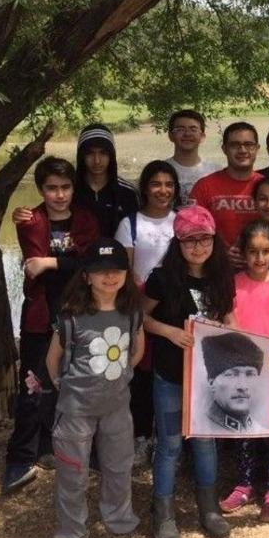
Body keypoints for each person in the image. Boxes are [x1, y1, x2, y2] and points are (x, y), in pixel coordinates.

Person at [2, 156, 99, 494]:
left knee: (80, 383)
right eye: (51, 188)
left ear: (74, 188)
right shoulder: (31, 220)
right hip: (40, 317)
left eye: (65, 187)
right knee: (32, 386)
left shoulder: (86, 220)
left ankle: (75, 447)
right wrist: (56, 263)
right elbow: (32, 267)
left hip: (80, 315)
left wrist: (50, 261)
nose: (59, 195)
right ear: (42, 190)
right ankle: (21, 455)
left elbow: (90, 264)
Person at [45, 239, 145, 538]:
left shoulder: (131, 311)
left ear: (125, 274)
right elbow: (53, 359)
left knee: (118, 470)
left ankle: (121, 529)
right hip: (75, 411)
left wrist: (123, 376)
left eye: (116, 270)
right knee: (72, 477)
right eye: (100, 271)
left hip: (117, 408)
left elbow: (137, 349)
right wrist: (65, 388)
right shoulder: (72, 316)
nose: (109, 277)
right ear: (86, 276)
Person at [143, 205, 234, 538]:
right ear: (177, 243)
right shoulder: (162, 277)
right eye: (189, 240)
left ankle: (208, 507)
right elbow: (142, 316)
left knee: (204, 442)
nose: (198, 247)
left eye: (204, 239)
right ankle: (163, 513)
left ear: (214, 240)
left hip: (209, 379)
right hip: (170, 375)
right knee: (169, 445)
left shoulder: (222, 276)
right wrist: (168, 331)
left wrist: (233, 336)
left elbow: (230, 317)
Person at [220, 221, 269, 523]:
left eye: (266, 251)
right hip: (241, 368)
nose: (259, 258)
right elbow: (228, 318)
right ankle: (244, 484)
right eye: (253, 251)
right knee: (243, 429)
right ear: (243, 252)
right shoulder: (233, 283)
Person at [114, 159, 179, 467]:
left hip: (176, 308)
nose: (162, 190)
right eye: (156, 184)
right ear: (145, 188)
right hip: (141, 304)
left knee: (172, 374)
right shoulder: (131, 223)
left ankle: (173, 442)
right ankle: (142, 437)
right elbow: (124, 269)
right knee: (141, 375)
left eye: (168, 184)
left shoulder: (182, 221)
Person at [10, 124, 136, 237]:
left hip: (117, 260)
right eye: (90, 153)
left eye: (103, 153)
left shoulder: (128, 192)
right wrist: (22, 214)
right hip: (75, 259)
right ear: (81, 156)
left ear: (111, 155)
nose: (97, 160)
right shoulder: (68, 187)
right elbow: (46, 212)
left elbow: (143, 226)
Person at [188, 121, 264, 264]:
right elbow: (192, 230)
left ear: (257, 148)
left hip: (259, 267)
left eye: (248, 145)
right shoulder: (204, 186)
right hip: (215, 267)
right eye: (235, 145)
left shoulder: (268, 187)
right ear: (224, 149)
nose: (242, 150)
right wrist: (218, 252)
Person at [203, 332, 267, 432]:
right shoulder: (200, 426)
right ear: (211, 382)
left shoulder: (261, 431)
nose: (242, 386)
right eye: (231, 374)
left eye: (250, 374)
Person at [165, 109, 219, 206]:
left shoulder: (216, 171)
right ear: (170, 136)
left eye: (193, 129)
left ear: (202, 136)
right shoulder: (160, 170)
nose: (187, 134)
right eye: (180, 129)